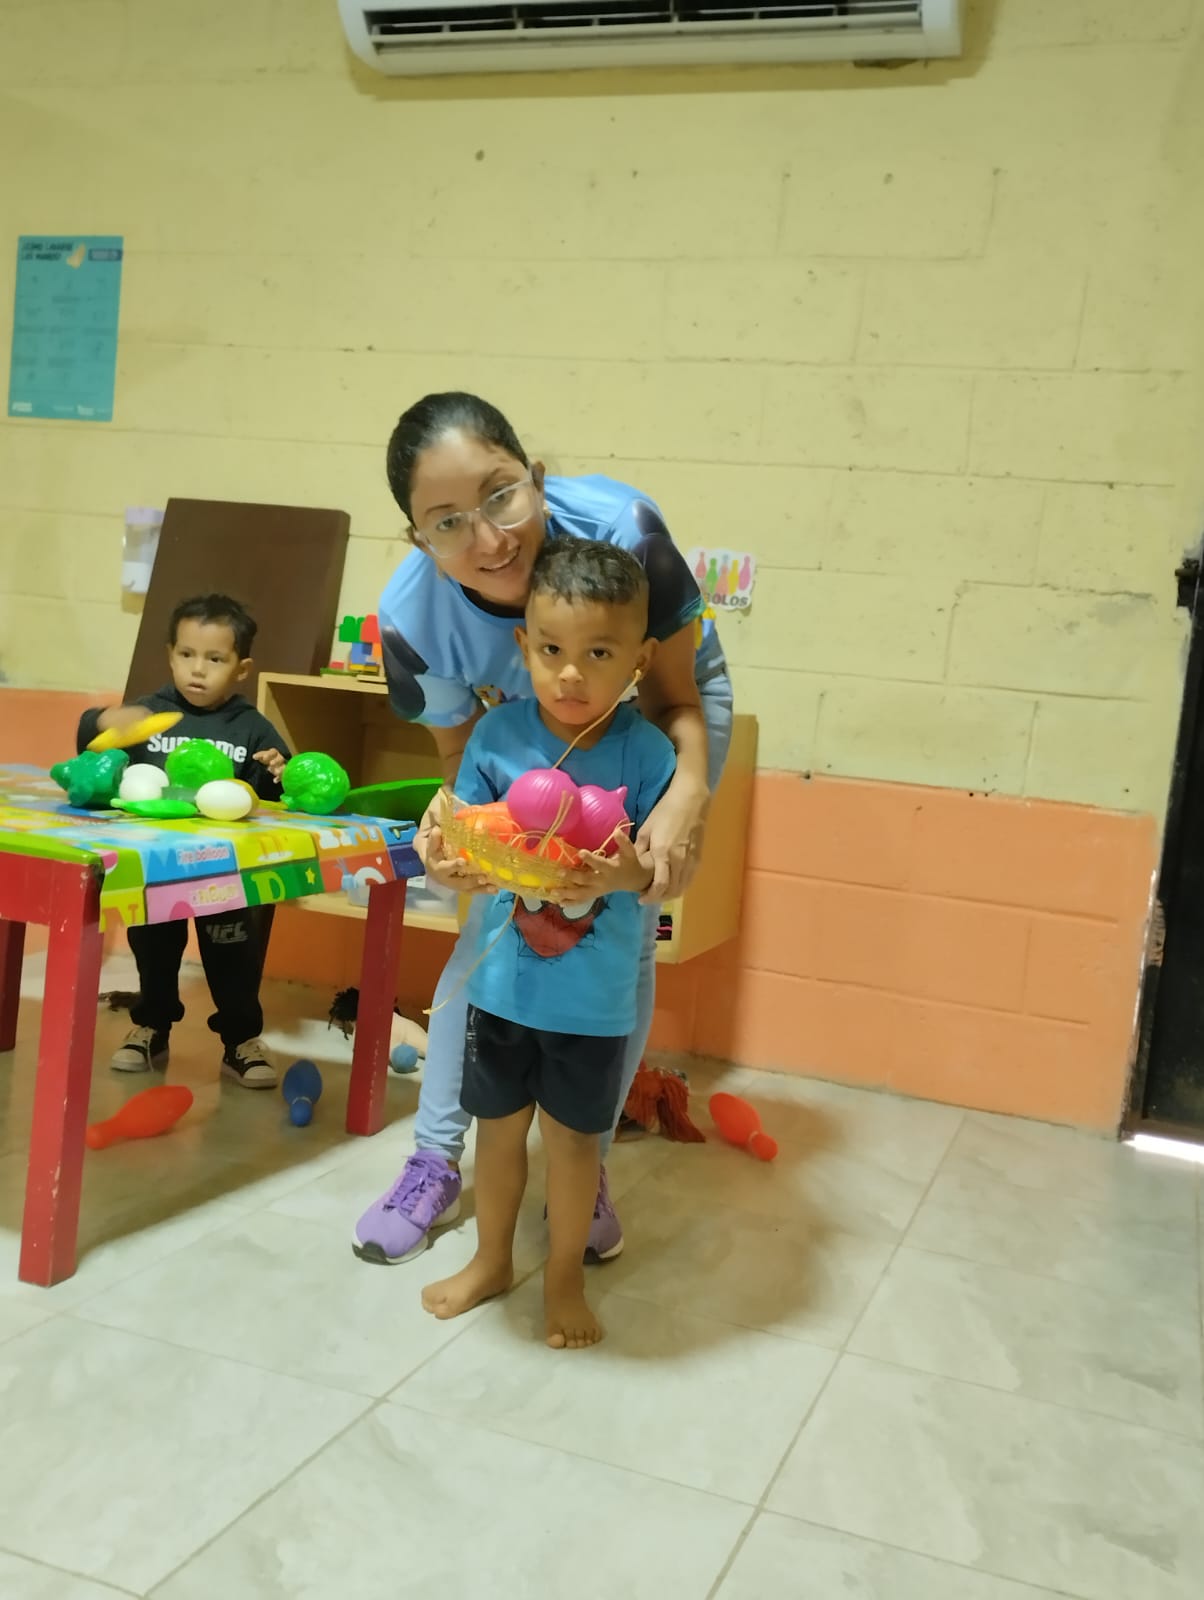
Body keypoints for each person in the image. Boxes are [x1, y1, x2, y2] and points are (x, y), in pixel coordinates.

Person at [353, 392, 733, 1267]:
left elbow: (674, 696)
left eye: (500, 495)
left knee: (624, 931)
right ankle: (433, 1160)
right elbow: (462, 759)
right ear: (417, 538)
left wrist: (685, 798)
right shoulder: (412, 620)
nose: (488, 539)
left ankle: (581, 1158)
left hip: (655, 717)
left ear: (537, 476)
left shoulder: (625, 531)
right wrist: (459, 834)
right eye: (447, 522)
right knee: (487, 933)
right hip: (519, 729)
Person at [422, 537, 675, 1348]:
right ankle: (492, 1259)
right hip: (502, 991)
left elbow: (664, 876)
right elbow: (458, 836)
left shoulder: (649, 753)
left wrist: (625, 872)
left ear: (640, 659)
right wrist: (448, 861)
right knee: (496, 1133)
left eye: (599, 652)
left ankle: (563, 1276)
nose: (571, 674)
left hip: (591, 1007)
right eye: (552, 651)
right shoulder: (497, 738)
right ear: (523, 646)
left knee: (573, 1147)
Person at [77, 593, 290, 1088]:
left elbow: (272, 795)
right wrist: (102, 722)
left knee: (234, 956)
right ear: (170, 654)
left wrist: (278, 771)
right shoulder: (149, 715)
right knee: (153, 951)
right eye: (187, 654)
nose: (198, 669)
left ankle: (241, 1039)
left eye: (215, 659)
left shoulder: (251, 726)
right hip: (155, 866)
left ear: (241, 668)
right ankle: (151, 1026)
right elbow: (90, 749)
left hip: (226, 870)